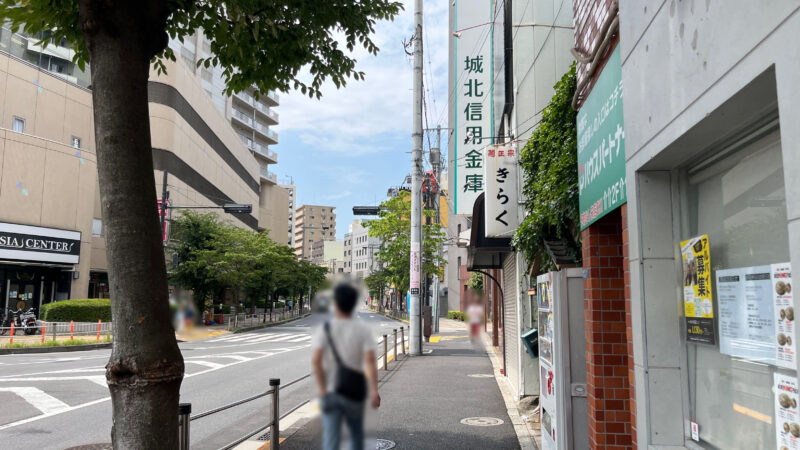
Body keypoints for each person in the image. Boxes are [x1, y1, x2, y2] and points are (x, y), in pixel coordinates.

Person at [312, 284, 380, 450]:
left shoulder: (326, 329)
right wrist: (374, 391)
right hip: (355, 391)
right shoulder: (362, 329)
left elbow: (316, 361)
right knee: (356, 435)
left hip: (331, 391)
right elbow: (370, 361)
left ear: (335, 304)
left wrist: (322, 390)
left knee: (331, 439)